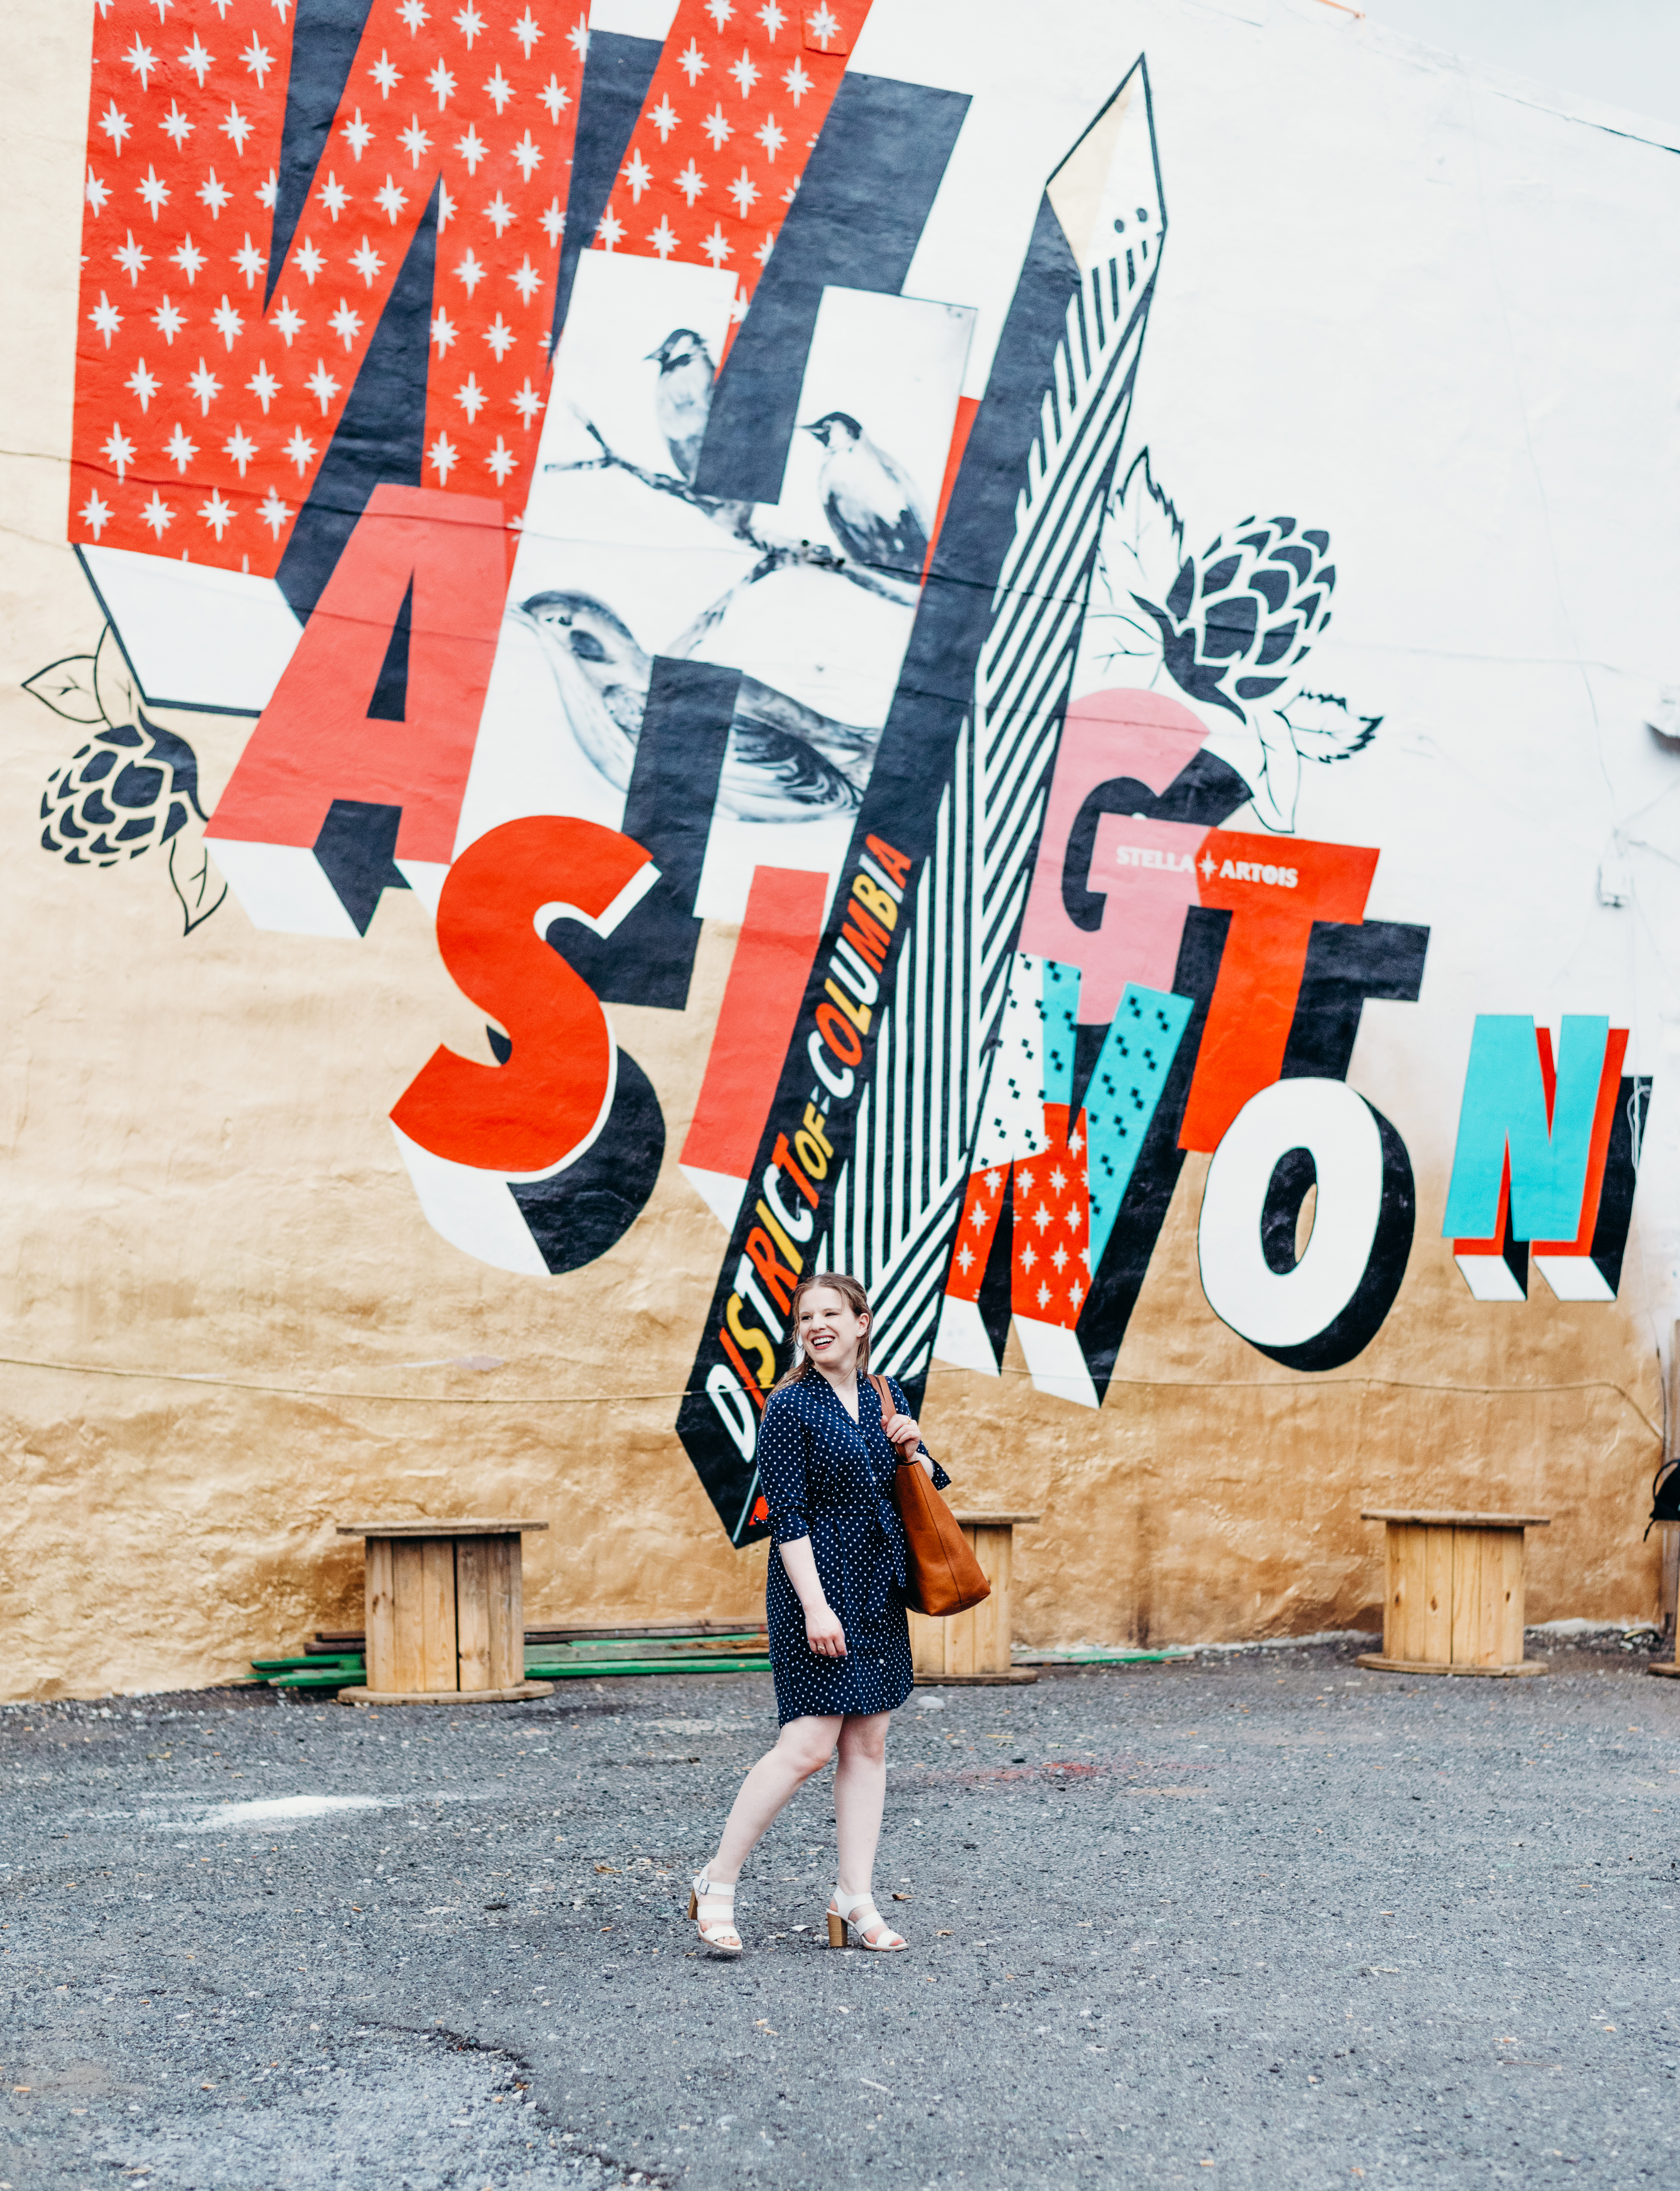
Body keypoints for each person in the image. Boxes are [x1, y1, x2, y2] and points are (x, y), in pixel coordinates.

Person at [688, 1273, 949, 1954]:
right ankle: (716, 1883)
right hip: (816, 1586)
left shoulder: (883, 1395)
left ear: (863, 1322)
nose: (817, 1323)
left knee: (868, 1744)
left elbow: (921, 1487)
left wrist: (914, 1448)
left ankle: (853, 1897)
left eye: (832, 1312)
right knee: (806, 1746)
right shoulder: (789, 1406)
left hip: (877, 1585)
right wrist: (815, 1606)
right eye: (807, 1315)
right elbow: (788, 1516)